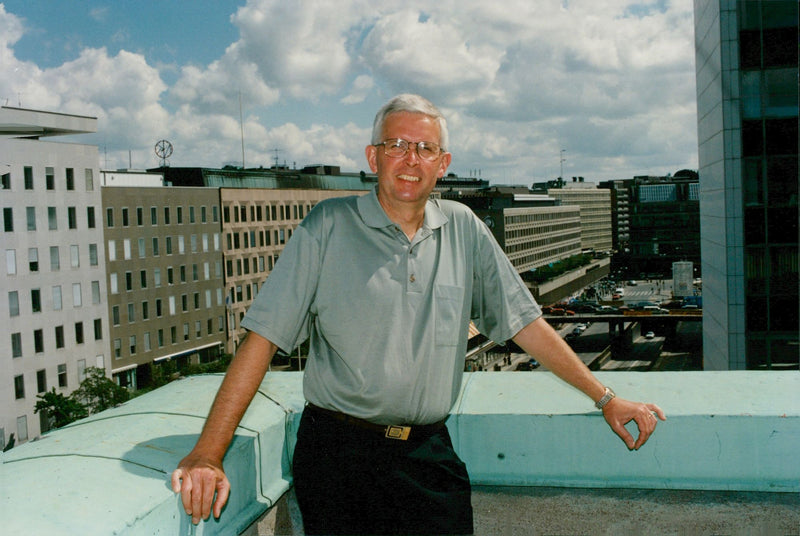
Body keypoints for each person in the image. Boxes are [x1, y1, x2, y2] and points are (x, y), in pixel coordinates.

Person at [172, 94, 666, 535]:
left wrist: (606, 398)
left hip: (428, 456)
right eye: (396, 145)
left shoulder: (465, 228)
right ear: (373, 157)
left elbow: (524, 323)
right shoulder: (327, 226)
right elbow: (264, 337)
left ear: (443, 163)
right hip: (339, 456)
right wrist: (209, 453)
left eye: (425, 149)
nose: (411, 160)